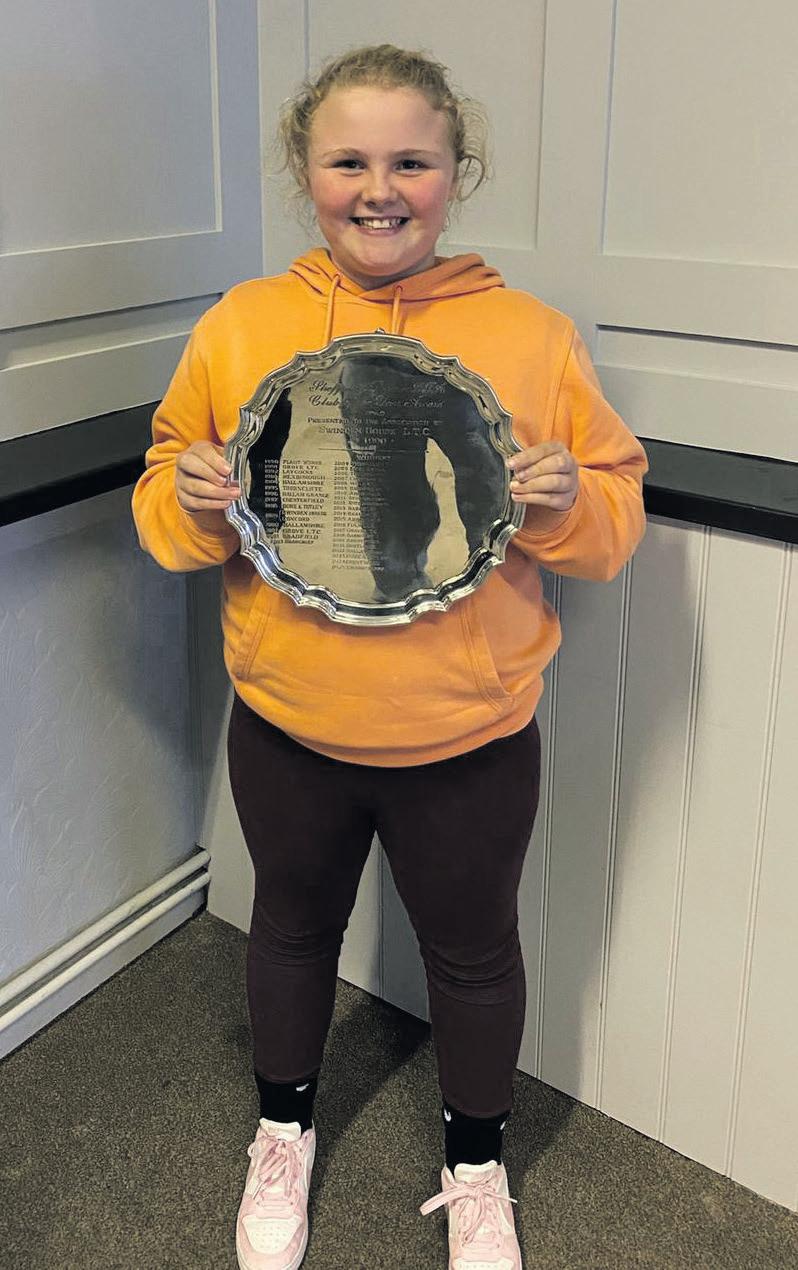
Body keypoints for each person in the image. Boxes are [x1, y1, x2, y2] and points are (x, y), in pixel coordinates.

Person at [132, 43, 648, 1270]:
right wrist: (194, 499)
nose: (379, 188)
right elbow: (164, 505)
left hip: (468, 736)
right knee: (289, 932)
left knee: (473, 956)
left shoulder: (530, 336)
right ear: (304, 172)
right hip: (289, 726)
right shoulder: (243, 325)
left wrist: (568, 499)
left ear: (455, 172)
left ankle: (476, 1166)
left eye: (411, 160)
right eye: (348, 161)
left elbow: (612, 524)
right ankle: (283, 1132)